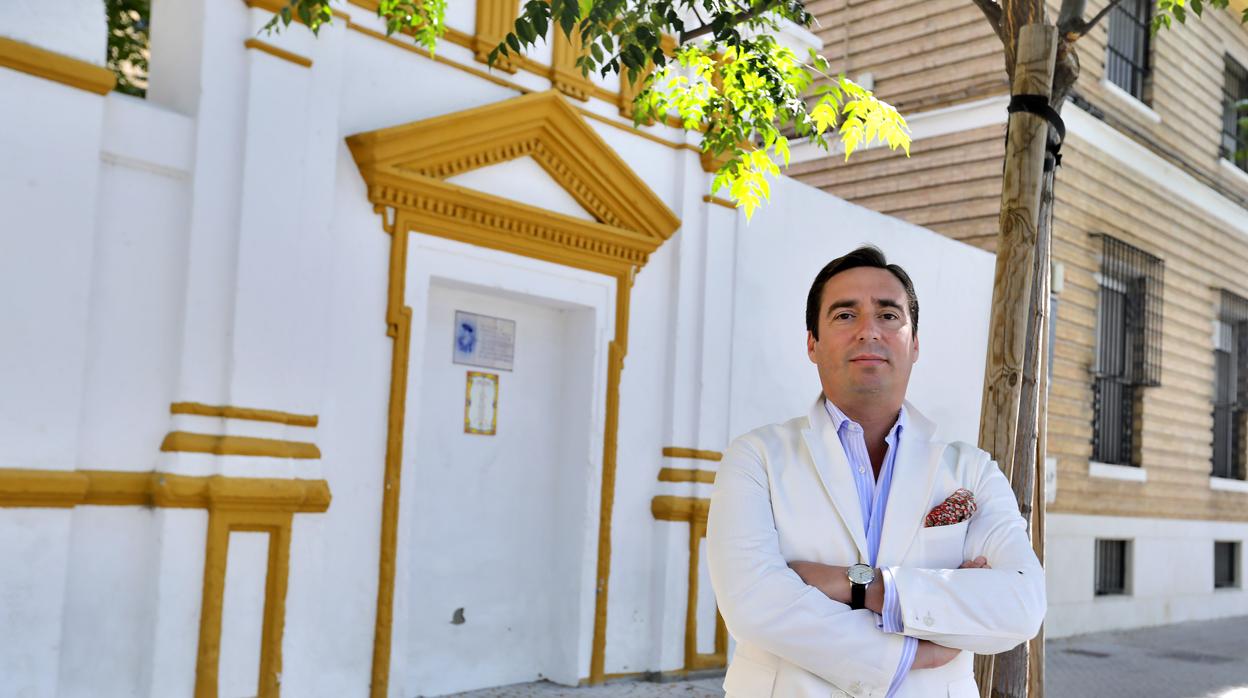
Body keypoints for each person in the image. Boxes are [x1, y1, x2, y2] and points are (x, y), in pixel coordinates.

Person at [706, 246, 1045, 698]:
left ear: (915, 342)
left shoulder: (972, 469)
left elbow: (1021, 606)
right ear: (812, 343)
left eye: (889, 316)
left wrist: (863, 588)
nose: (869, 330)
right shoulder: (755, 459)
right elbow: (753, 604)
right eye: (845, 316)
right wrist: (914, 650)